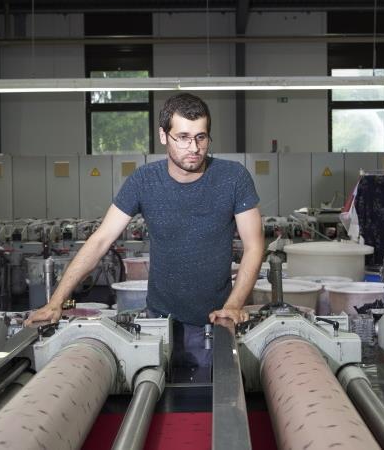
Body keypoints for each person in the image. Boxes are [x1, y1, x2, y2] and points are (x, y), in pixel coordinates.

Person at [25, 93, 264, 370]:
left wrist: (234, 305)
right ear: (164, 136)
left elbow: (254, 246)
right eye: (183, 137)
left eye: (201, 137)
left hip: (217, 320)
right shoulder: (143, 181)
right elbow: (101, 240)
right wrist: (56, 302)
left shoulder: (233, 177)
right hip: (159, 321)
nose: (194, 147)